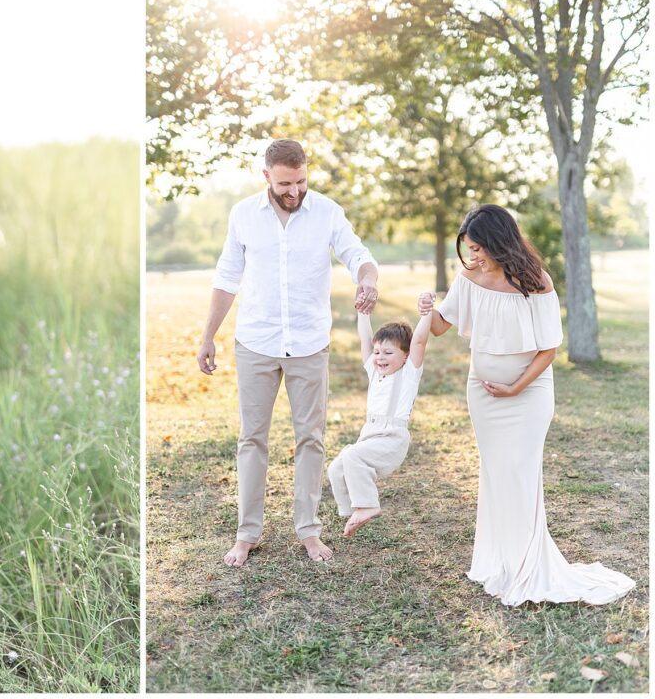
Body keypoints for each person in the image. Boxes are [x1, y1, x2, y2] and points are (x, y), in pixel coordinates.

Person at [423, 204, 634, 606]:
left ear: (499, 242)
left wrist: (516, 388)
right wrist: (424, 307)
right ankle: (501, 562)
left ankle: (527, 567)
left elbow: (549, 349)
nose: (475, 256)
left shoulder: (536, 281)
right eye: (469, 249)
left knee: (520, 474)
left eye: (479, 248)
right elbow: (439, 325)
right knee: (496, 475)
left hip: (529, 395)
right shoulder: (470, 276)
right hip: (483, 394)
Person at [197, 139, 379, 566]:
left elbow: (359, 256)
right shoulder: (243, 215)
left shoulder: (328, 212)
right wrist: (208, 336)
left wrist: (368, 280)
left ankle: (309, 531)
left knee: (310, 439)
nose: (293, 191)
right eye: (284, 183)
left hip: (309, 344)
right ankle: (247, 534)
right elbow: (226, 278)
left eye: (300, 181)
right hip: (255, 343)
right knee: (251, 439)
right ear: (266, 177)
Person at [328, 303, 432, 537]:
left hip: (392, 438)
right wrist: (363, 314)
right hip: (370, 435)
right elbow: (365, 340)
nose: (380, 358)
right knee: (336, 469)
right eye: (377, 353)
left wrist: (426, 314)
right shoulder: (374, 372)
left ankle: (368, 505)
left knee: (352, 455)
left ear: (405, 356)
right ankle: (349, 514)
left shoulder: (408, 374)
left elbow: (419, 342)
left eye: (388, 353)